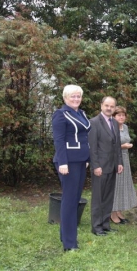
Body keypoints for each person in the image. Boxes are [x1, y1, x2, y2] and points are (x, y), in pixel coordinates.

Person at [52, 84, 91, 252]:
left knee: (74, 200)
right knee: (69, 201)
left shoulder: (81, 113)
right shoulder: (60, 115)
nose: (76, 99)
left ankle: (66, 236)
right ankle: (69, 244)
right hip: (68, 162)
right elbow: (58, 141)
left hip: (81, 161)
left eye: (78, 96)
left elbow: (84, 137)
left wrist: (87, 158)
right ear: (65, 98)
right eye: (72, 96)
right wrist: (62, 163)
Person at [89, 96, 123, 236]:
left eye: (112, 106)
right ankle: (96, 227)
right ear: (101, 105)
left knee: (108, 197)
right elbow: (92, 147)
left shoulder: (114, 123)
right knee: (98, 198)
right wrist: (95, 165)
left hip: (112, 166)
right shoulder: (94, 122)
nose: (109, 108)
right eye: (107, 105)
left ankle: (105, 224)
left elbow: (117, 146)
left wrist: (119, 162)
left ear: (114, 108)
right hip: (100, 168)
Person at [110, 106, 137, 224]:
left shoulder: (125, 127)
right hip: (115, 158)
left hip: (125, 159)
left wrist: (126, 147)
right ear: (113, 116)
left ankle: (119, 211)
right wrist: (123, 146)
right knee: (115, 185)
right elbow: (109, 146)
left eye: (123, 115)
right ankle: (112, 213)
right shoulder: (111, 127)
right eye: (118, 115)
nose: (121, 117)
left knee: (123, 185)